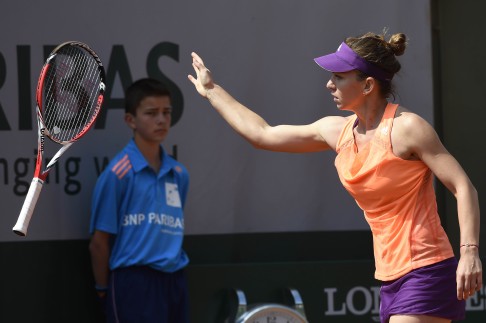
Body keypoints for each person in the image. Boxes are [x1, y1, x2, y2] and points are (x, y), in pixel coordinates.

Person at [188, 32, 482, 323]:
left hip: (427, 269)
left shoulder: (408, 128)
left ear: (367, 85)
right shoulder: (335, 131)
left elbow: (462, 186)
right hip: (390, 277)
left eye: (339, 77)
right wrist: (211, 90)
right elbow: (263, 134)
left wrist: (469, 253)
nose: (329, 84)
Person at [89, 78, 190, 323]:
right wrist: (103, 289)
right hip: (133, 283)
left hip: (174, 280)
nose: (161, 120)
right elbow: (99, 243)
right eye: (151, 113)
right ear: (130, 120)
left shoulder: (179, 174)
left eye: (166, 112)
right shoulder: (117, 174)